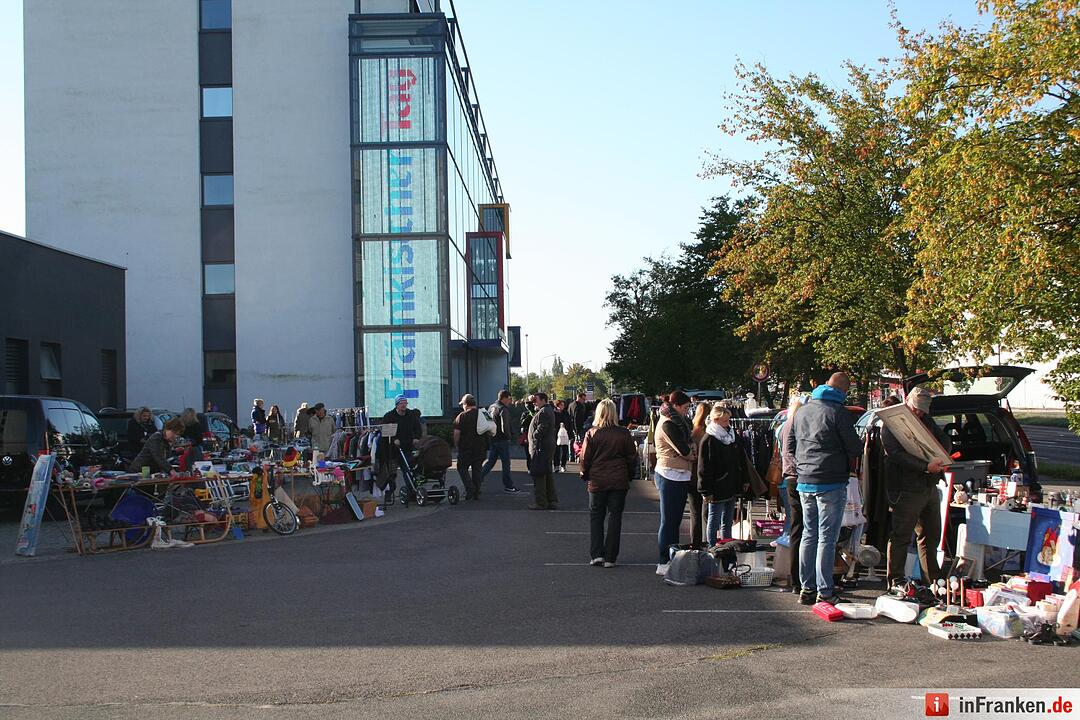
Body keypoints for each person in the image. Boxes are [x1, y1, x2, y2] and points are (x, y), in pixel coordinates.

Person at [783, 372, 862, 605]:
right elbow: (855, 447)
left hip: (804, 479)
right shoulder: (839, 412)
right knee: (827, 537)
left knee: (809, 534)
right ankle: (824, 591)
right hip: (831, 481)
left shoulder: (803, 410)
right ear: (844, 391)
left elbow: (789, 445)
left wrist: (803, 465)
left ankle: (806, 589)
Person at [882, 386, 952, 589]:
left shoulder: (926, 420)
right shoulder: (892, 421)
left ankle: (932, 580)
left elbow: (945, 440)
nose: (920, 413)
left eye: (923, 409)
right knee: (901, 535)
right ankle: (895, 580)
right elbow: (894, 453)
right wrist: (925, 466)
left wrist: (943, 457)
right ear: (907, 401)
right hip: (904, 488)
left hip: (928, 484)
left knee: (931, 536)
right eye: (916, 408)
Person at [579, 398, 637, 567]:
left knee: (596, 517)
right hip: (619, 479)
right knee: (615, 517)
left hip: (597, 479)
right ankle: (611, 556)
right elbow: (631, 457)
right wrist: (629, 474)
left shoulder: (592, 433)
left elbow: (585, 458)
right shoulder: (623, 433)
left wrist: (585, 474)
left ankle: (597, 554)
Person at [654, 390, 695, 575]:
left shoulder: (677, 422)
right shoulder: (668, 424)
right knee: (669, 521)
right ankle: (663, 561)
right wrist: (692, 453)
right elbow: (684, 449)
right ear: (676, 406)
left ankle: (671, 557)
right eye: (685, 408)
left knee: (675, 521)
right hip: (669, 474)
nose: (687, 411)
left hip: (679, 474)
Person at [697, 405, 750, 545]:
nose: (728, 423)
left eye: (728, 420)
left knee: (727, 521)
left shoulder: (733, 436)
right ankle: (712, 549)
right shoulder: (709, 439)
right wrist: (705, 490)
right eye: (725, 420)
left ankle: (727, 549)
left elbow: (741, 460)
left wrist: (744, 479)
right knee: (714, 521)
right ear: (715, 420)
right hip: (716, 486)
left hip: (731, 484)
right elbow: (703, 467)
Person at [776, 394, 807, 592]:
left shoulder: (786, 425)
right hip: (797, 478)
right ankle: (797, 577)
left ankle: (797, 577)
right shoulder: (794, 426)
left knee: (797, 526)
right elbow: (790, 453)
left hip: (792, 477)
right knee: (800, 527)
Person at [481, 390, 520, 493]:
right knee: (506, 463)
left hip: (493, 439)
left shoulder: (491, 407)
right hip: (502, 440)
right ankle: (508, 485)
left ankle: (477, 479)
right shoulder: (503, 409)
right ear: (504, 398)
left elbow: (487, 423)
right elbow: (505, 426)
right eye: (509, 398)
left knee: (490, 462)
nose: (510, 401)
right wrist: (509, 437)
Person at [453, 394, 490, 500]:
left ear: (465, 404)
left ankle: (470, 488)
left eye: (462, 405)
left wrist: (456, 444)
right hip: (481, 447)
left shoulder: (462, 416)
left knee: (462, 467)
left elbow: (456, 433)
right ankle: (476, 491)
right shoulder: (483, 413)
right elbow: (492, 427)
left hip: (466, 447)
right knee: (477, 469)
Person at [527, 392, 558, 510]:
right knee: (547, 473)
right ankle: (551, 500)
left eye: (536, 400)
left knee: (539, 474)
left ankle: (541, 502)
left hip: (541, 447)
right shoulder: (547, 410)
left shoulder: (544, 412)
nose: (534, 402)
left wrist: (535, 436)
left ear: (544, 400)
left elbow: (542, 428)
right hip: (546, 446)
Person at [688, 402, 711, 546]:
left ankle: (695, 544)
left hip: (692, 476)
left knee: (695, 513)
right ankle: (709, 542)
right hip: (707, 476)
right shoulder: (710, 433)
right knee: (709, 513)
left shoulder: (692, 432)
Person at [568, 392, 590, 459]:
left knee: (572, 442)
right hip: (578, 427)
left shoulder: (571, 404)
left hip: (571, 426)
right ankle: (577, 456)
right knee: (578, 442)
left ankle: (571, 456)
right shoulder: (578, 406)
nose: (584, 401)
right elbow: (576, 418)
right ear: (579, 398)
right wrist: (577, 430)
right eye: (583, 399)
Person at [554, 399, 573, 472]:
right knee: (556, 451)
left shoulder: (566, 413)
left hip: (565, 434)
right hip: (556, 434)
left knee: (565, 450)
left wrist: (570, 434)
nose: (563, 406)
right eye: (562, 405)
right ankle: (556, 465)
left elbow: (569, 424)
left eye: (563, 405)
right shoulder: (554, 413)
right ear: (558, 405)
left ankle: (563, 465)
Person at [519, 395, 536, 468]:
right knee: (528, 453)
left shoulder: (538, 412)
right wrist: (530, 415)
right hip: (527, 435)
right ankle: (530, 468)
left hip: (536, 435)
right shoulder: (525, 413)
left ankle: (535, 467)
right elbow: (522, 423)